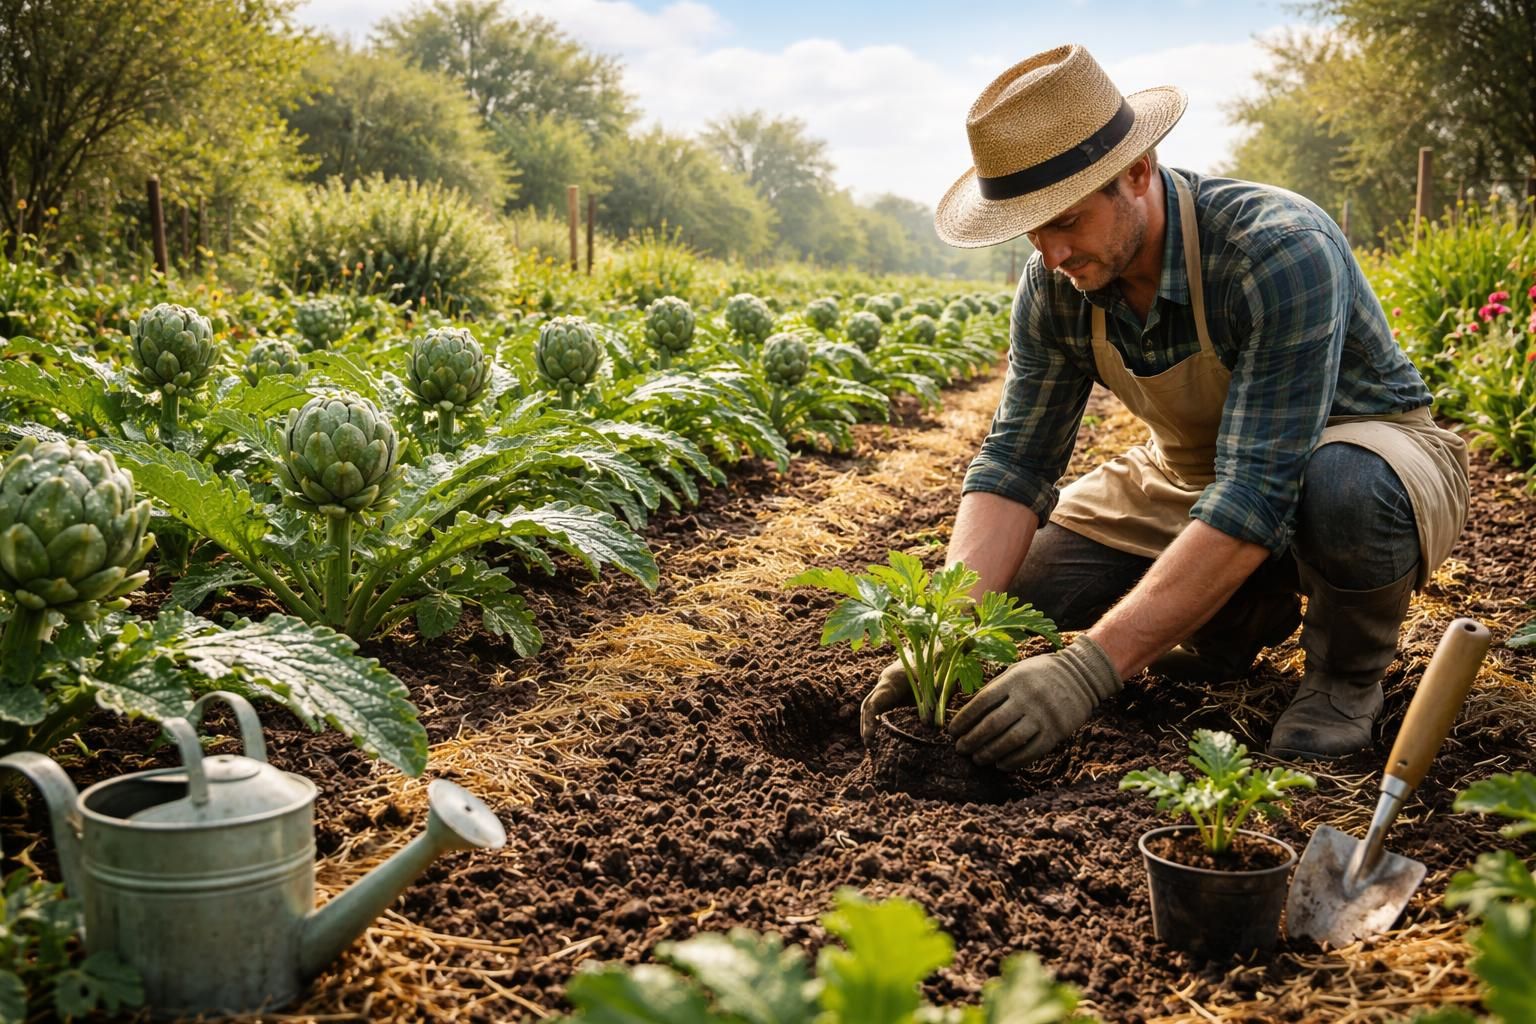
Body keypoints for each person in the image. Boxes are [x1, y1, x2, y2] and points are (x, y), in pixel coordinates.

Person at [860, 44, 1469, 766]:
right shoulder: (1055, 283)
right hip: (1192, 473)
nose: (1051, 255)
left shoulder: (1273, 248)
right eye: (1033, 230)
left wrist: (1087, 670)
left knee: (1341, 487)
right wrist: (944, 632)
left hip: (1366, 453)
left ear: (1139, 173)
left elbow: (1257, 490)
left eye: (1067, 222)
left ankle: (1344, 676)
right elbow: (1015, 461)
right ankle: (1237, 617)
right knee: (1023, 586)